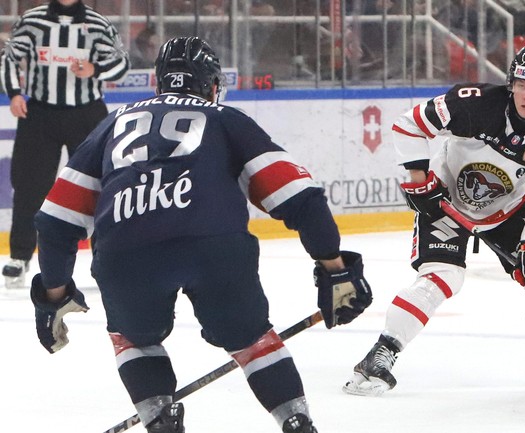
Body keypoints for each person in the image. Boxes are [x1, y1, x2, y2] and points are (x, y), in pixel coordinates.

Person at [29, 37, 372, 433]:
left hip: (125, 251)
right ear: (211, 85)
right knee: (252, 340)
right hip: (215, 246)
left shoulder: (112, 124)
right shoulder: (226, 118)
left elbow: (55, 221)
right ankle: (296, 422)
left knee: (133, 339)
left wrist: (53, 294)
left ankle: (160, 418)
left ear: (158, 85)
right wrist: (334, 266)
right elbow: (302, 199)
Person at [343, 45, 525, 396]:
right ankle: (381, 353)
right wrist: (419, 180)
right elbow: (409, 124)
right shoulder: (474, 103)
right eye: (522, 83)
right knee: (442, 277)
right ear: (511, 82)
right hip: (444, 201)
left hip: (509, 213)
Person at [0, 0, 130, 288]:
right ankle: (20, 256)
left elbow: (121, 64)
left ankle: (105, 257)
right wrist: (15, 93)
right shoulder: (32, 20)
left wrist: (94, 69)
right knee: (29, 185)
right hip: (40, 113)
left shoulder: (97, 24)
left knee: (100, 186)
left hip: (87, 113)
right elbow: (8, 57)